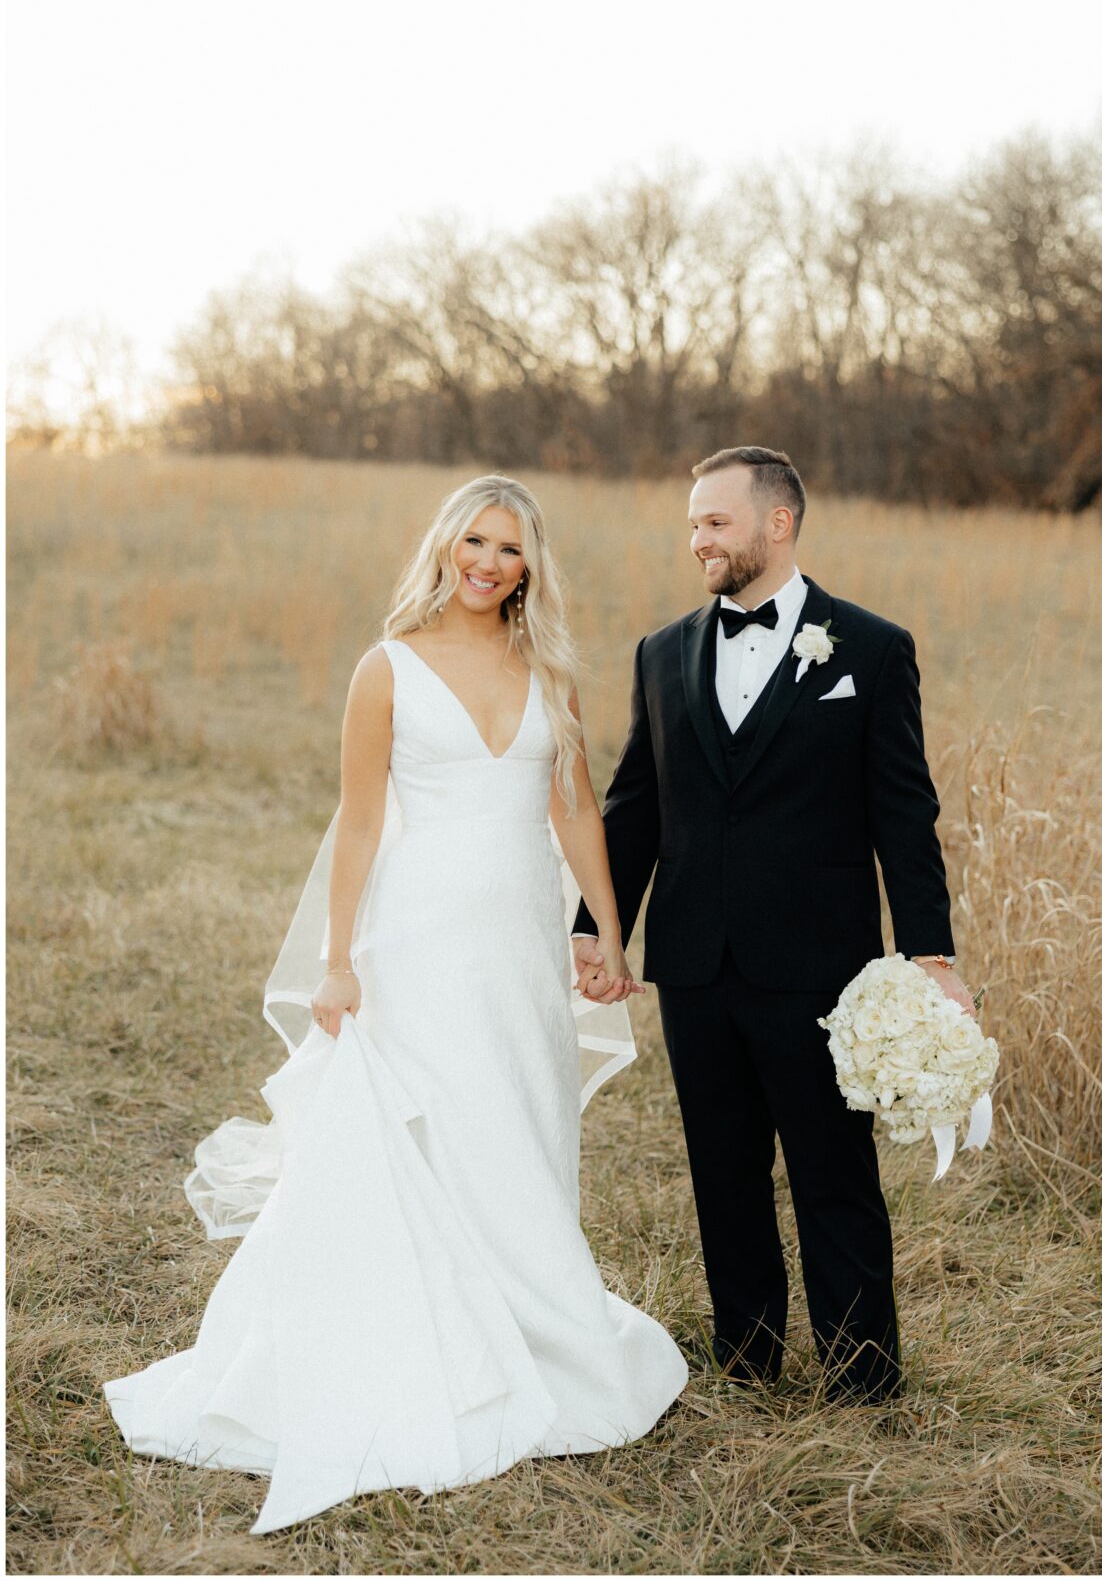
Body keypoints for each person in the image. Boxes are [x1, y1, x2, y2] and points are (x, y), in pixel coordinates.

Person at [104, 477, 686, 1534]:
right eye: (475, 538)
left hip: (516, 951)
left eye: (510, 547)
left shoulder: (549, 672)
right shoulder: (387, 668)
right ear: (445, 546)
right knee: (429, 1132)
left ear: (529, 565)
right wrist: (338, 960)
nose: (490, 561)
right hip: (415, 948)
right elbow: (359, 825)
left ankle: (532, 1328)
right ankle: (414, 1346)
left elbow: (575, 809)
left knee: (520, 1125)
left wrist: (604, 926)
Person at [574, 444, 976, 1402]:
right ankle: (746, 1356)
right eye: (691, 524)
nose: (696, 540)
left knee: (832, 1174)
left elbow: (901, 812)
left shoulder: (870, 650)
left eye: (714, 522)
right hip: (696, 963)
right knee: (723, 1170)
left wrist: (931, 953)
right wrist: (595, 929)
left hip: (817, 964)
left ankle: (860, 1375)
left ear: (776, 523)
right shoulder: (662, 651)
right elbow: (635, 807)